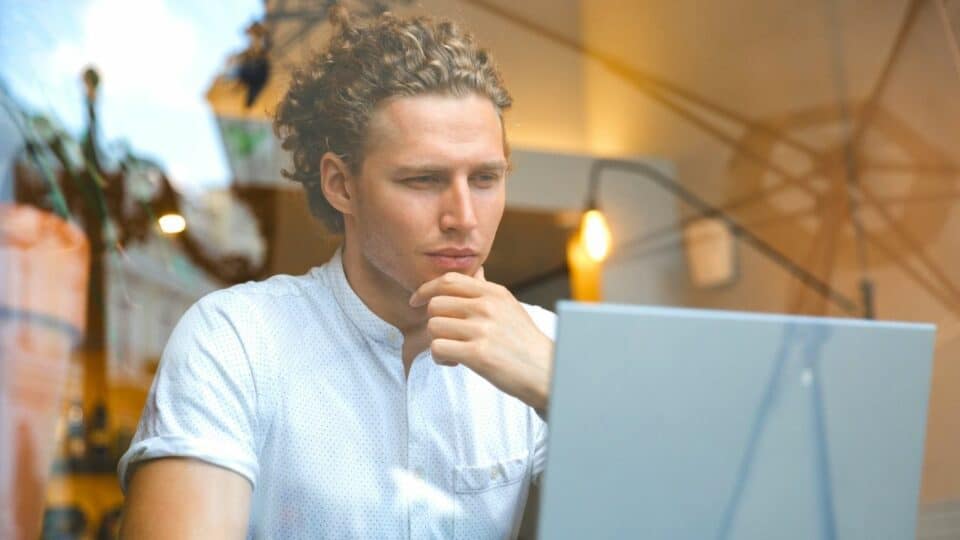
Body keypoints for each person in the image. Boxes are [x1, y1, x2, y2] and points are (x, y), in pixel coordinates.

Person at [119, 8, 556, 539]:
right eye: (423, 179)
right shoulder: (239, 342)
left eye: (485, 178)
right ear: (341, 185)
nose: (464, 217)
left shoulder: (546, 347)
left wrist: (560, 388)